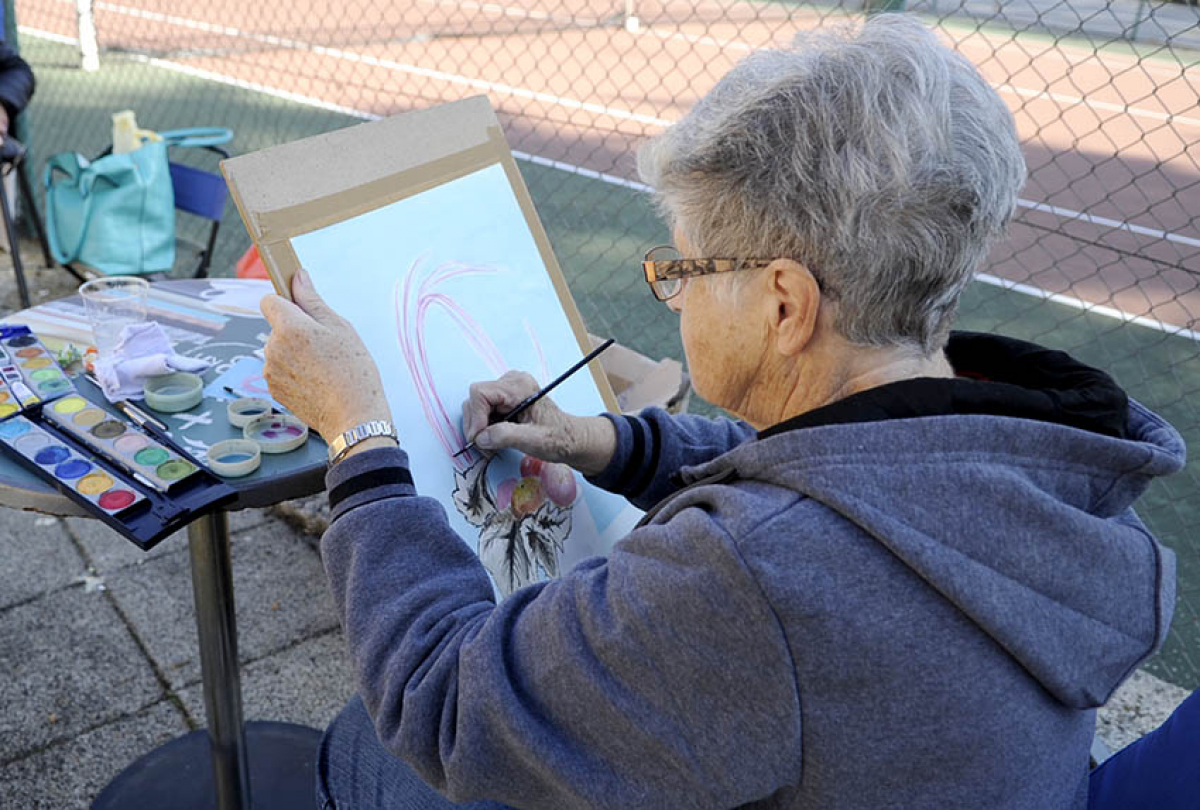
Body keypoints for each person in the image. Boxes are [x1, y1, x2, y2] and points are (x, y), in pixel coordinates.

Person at [260, 15, 1184, 810]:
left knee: (366, 750)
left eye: (683, 267)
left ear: (785, 305)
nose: (673, 292)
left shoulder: (750, 577)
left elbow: (442, 700)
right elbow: (834, 471)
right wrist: (611, 443)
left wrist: (362, 434)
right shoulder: (1043, 447)